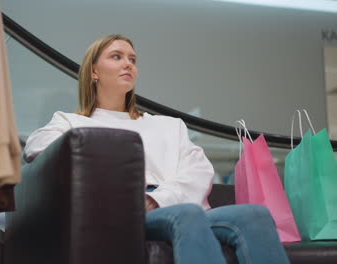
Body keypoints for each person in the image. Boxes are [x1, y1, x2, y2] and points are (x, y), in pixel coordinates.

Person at [24, 34, 290, 264]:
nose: (128, 63)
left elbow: (198, 171)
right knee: (187, 214)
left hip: (179, 204)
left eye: (132, 59)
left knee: (255, 213)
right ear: (94, 71)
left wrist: (157, 199)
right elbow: (37, 149)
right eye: (116, 57)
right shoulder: (72, 123)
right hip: (124, 212)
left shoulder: (168, 125)